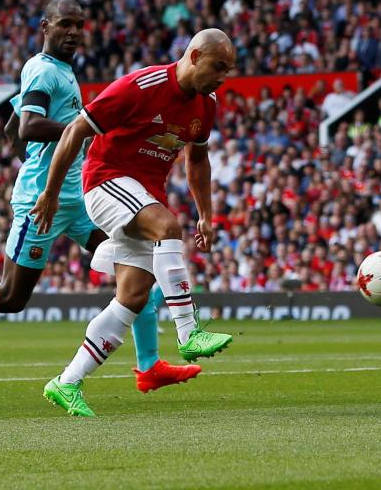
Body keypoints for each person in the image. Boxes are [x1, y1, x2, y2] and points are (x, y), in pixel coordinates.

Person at [0, 0, 199, 397]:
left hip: (76, 197)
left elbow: (13, 126)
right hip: (42, 201)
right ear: (44, 26)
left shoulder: (59, 72)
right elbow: (29, 127)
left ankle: (149, 365)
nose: (74, 32)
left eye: (80, 25)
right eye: (65, 24)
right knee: (11, 296)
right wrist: (83, 131)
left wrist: (43, 156)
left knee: (138, 260)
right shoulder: (43, 69)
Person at [33, 28, 236, 417]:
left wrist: (206, 214)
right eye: (218, 66)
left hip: (144, 195)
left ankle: (67, 381)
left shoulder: (206, 105)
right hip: (106, 181)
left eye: (229, 69)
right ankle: (188, 332)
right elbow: (76, 129)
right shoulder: (141, 86)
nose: (223, 77)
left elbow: (197, 160)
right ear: (194, 57)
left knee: (132, 297)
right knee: (168, 227)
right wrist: (52, 192)